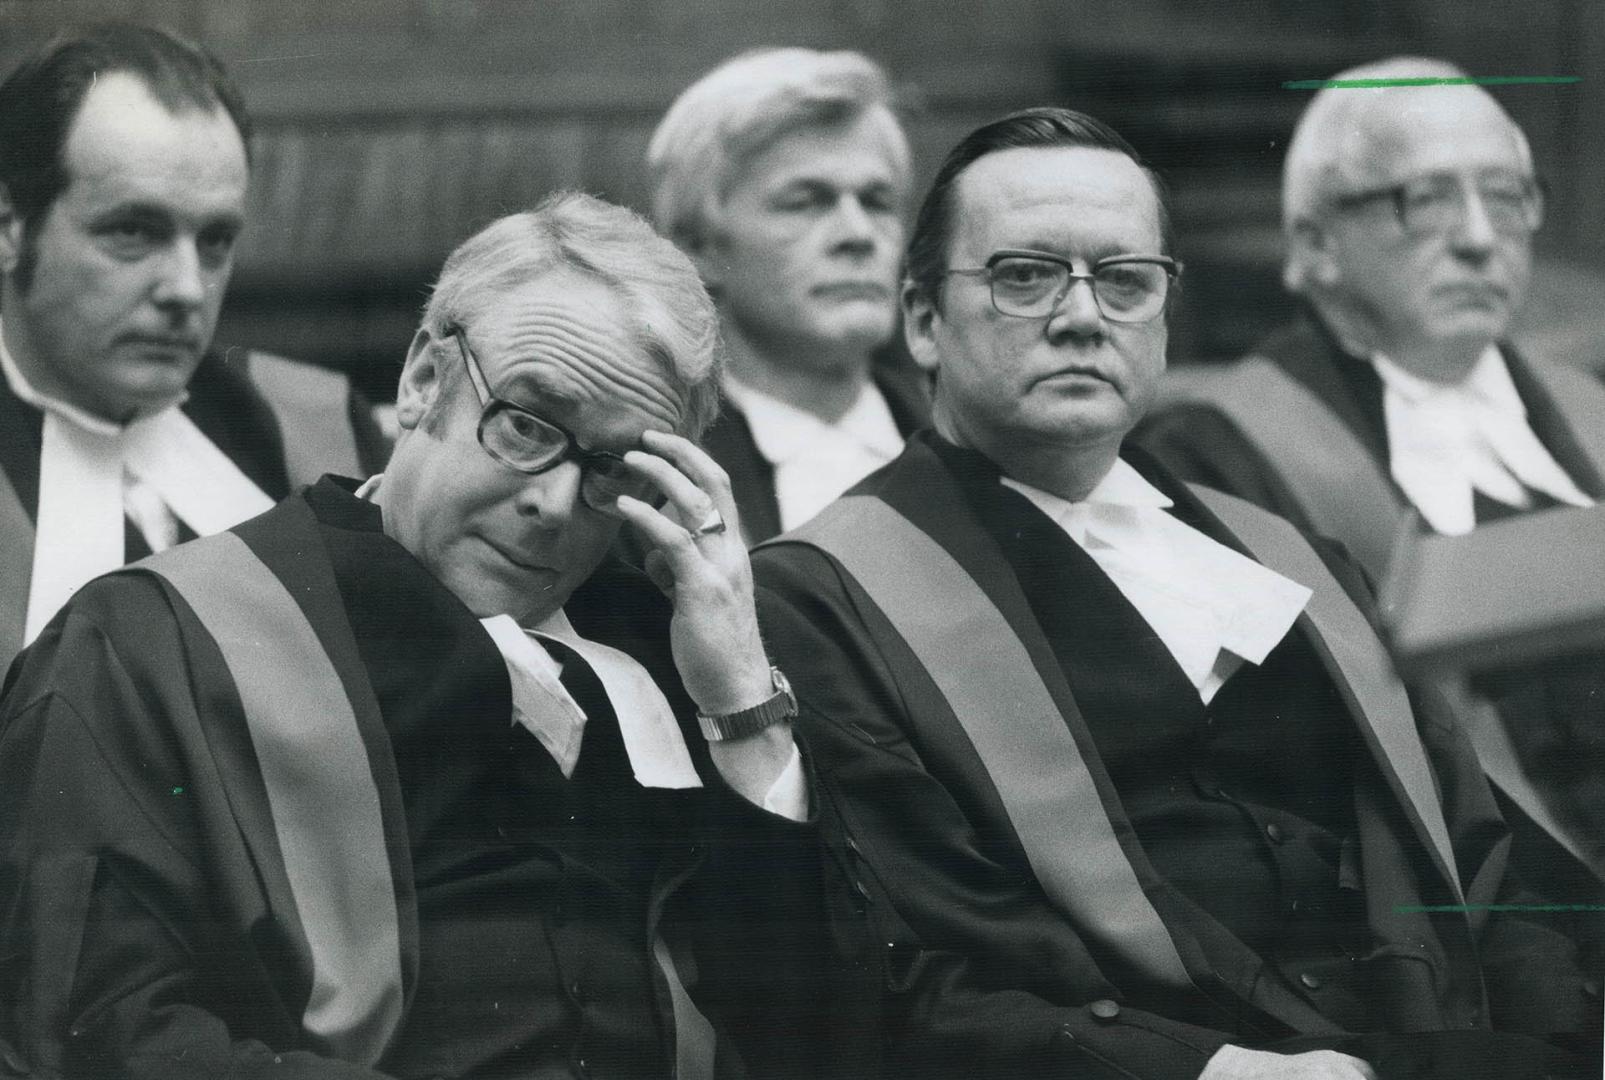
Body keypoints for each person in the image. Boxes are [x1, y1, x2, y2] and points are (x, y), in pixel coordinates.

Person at [753, 107, 1598, 1080]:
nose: (1079, 316)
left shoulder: (1289, 552)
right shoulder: (830, 599)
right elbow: (920, 979)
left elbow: (1478, 866)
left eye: (1123, 280)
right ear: (922, 319)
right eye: (1024, 276)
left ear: (1162, 315)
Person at [0, 192, 827, 1080]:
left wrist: (743, 702)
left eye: (614, 468)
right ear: (423, 381)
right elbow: (97, 1031)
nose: (551, 502)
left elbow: (821, 1029)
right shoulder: (151, 645)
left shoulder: (667, 650)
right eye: (525, 424)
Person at [1131, 57, 1604, 899]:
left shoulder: (1591, 414)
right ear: (1313, 245)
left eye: (1505, 196)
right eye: (1422, 199)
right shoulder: (1210, 463)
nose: (1477, 236)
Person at [0, 23, 388, 668]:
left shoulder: (322, 434)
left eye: (214, 241)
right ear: (11, 229)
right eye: (132, 231)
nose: (186, 288)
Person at [648, 47, 929, 543]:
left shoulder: (972, 445)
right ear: (700, 248)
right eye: (805, 202)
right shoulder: (660, 483)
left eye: (878, 201)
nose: (858, 233)